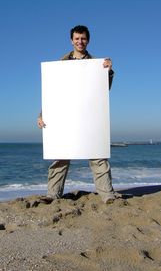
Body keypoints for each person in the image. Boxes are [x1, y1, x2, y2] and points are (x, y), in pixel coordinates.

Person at [37, 25, 122, 204]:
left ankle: (107, 195)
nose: (80, 41)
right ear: (71, 40)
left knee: (98, 155)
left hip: (89, 116)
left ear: (88, 40)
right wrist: (42, 114)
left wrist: (109, 71)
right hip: (66, 118)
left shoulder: (97, 64)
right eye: (76, 38)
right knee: (60, 156)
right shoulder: (61, 63)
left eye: (83, 38)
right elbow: (53, 93)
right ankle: (53, 195)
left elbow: (103, 91)